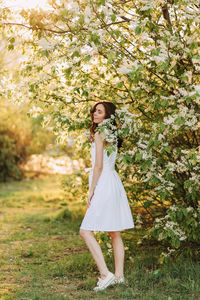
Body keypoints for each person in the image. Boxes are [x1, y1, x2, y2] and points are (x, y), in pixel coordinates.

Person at [79, 101, 134, 291]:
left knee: (85, 230)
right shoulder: (112, 133)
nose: (95, 113)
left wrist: (91, 190)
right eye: (95, 110)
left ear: (107, 115)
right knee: (114, 232)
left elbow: (98, 166)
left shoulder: (99, 133)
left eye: (99, 111)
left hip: (103, 182)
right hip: (113, 181)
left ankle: (105, 273)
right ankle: (119, 276)